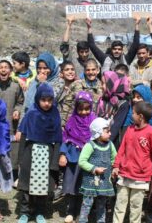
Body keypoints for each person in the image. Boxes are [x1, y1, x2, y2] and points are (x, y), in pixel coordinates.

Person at [112, 101, 152, 223]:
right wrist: (116, 166)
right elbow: (122, 149)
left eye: (134, 113)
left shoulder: (151, 133)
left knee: (136, 208)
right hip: (124, 174)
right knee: (119, 205)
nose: (132, 115)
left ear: (140, 116)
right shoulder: (130, 129)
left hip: (140, 177)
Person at [17, 83, 62, 223]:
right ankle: (25, 212)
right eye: (43, 100)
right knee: (26, 185)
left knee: (43, 186)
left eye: (49, 100)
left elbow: (58, 139)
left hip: (47, 154)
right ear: (37, 99)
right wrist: (20, 158)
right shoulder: (31, 113)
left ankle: (40, 212)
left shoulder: (55, 114)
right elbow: (24, 135)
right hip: (31, 152)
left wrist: (55, 160)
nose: (47, 103)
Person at [59, 91, 96, 223]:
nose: (84, 112)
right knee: (72, 186)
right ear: (76, 108)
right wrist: (63, 154)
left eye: (87, 109)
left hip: (88, 160)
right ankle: (70, 211)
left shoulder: (94, 122)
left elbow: (98, 140)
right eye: (80, 109)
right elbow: (65, 137)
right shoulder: (72, 120)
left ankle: (83, 213)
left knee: (85, 186)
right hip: (73, 158)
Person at [0, 60, 24, 185]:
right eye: (1, 68)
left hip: (11, 124)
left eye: (6, 67)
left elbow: (20, 102)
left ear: (11, 71)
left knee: (12, 152)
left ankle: (12, 178)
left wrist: (17, 110)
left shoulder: (15, 86)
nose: (3, 70)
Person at [78, 118, 117, 223]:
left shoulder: (110, 145)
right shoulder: (90, 145)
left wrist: (114, 168)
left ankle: (101, 221)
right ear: (98, 132)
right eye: (107, 131)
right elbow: (82, 161)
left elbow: (115, 158)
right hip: (90, 181)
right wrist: (94, 168)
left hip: (104, 182)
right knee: (87, 203)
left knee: (102, 204)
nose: (110, 133)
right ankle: (82, 221)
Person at [61, 59, 102, 125]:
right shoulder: (76, 84)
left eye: (93, 69)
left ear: (98, 70)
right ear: (84, 71)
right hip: (75, 124)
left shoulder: (102, 87)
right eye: (88, 70)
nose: (91, 72)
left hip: (93, 124)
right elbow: (66, 104)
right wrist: (63, 124)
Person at [95, 71, 131, 146]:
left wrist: (103, 144)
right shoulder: (103, 99)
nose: (101, 86)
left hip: (111, 143)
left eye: (103, 83)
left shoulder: (123, 104)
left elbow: (115, 127)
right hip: (98, 138)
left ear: (112, 84)